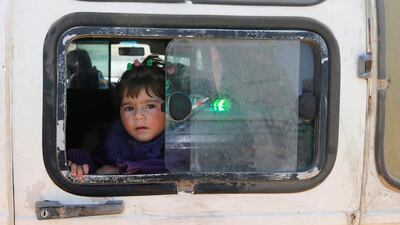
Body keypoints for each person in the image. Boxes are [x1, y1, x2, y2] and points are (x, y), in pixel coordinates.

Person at [67, 55, 168, 179]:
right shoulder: (111, 146)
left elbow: (166, 167)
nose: (138, 116)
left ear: (169, 108)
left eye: (150, 106)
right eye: (129, 108)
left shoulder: (181, 146)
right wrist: (79, 165)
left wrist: (121, 172)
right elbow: (94, 165)